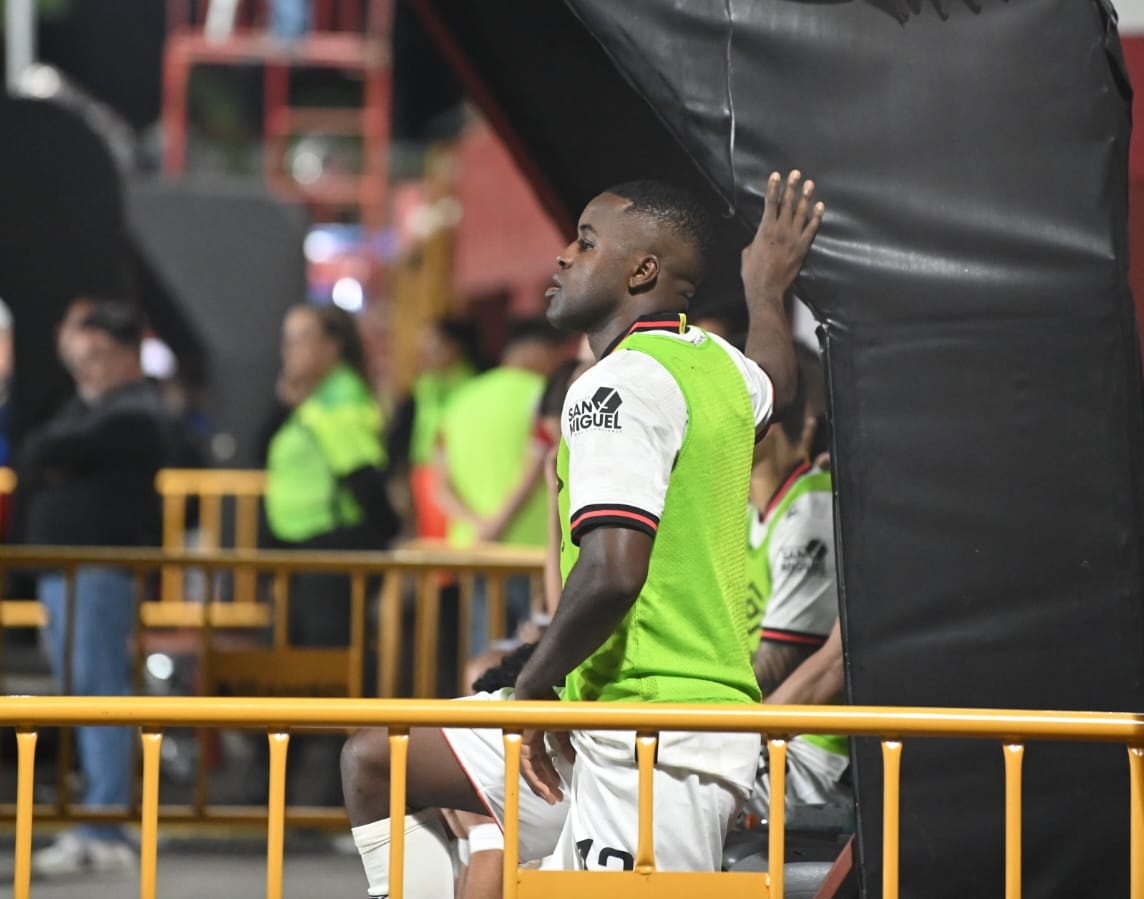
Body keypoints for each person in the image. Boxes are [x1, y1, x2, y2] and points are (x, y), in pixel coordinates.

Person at [340, 169, 824, 896]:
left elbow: (615, 569)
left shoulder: (615, 385)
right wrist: (765, 287)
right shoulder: (716, 365)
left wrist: (532, 691)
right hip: (592, 715)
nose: (563, 254)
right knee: (378, 758)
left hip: (658, 739)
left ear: (643, 269)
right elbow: (776, 387)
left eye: (586, 241)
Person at [21, 301, 173, 876]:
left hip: (99, 573)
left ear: (128, 355)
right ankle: (98, 820)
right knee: (86, 692)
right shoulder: (91, 408)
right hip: (71, 572)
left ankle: (103, 825)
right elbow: (41, 454)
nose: (87, 368)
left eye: (99, 356)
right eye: (80, 357)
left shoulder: (136, 413)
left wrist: (58, 458)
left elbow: (52, 452)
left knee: (99, 694)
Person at [744, 346, 851, 817]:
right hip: (749, 726)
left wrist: (696, 721)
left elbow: (782, 666)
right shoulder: (737, 514)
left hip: (806, 750)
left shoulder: (813, 505)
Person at [436, 318, 569, 657]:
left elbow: (440, 482)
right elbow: (538, 467)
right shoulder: (542, 395)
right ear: (533, 350)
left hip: (475, 549)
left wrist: (480, 527)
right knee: (532, 654)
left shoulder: (462, 398)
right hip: (532, 551)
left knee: (483, 651)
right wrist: (498, 524)